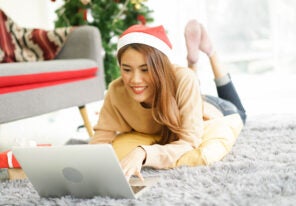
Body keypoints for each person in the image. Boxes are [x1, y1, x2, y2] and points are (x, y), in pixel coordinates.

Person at [90, 19, 246, 181]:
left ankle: (211, 53)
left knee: (240, 112)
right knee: (189, 82)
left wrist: (142, 153)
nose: (135, 80)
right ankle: (192, 63)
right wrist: (88, 165)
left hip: (214, 108)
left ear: (160, 67)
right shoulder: (116, 90)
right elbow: (101, 136)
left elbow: (189, 142)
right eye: (127, 69)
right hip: (187, 96)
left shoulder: (183, 79)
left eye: (145, 69)